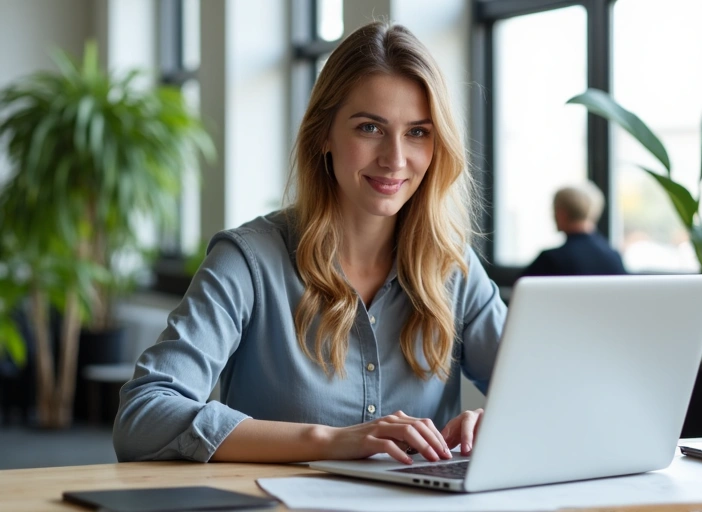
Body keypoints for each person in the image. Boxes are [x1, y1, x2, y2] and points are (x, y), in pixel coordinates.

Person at [113, 21, 507, 466]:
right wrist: (332, 441)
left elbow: (556, 397)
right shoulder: (248, 262)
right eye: (370, 128)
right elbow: (142, 416)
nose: (395, 159)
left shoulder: (455, 270)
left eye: (418, 132)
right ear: (324, 134)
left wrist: (497, 421)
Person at [520, 182, 627, 277]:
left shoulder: (550, 260)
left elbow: (521, 295)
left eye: (554, 210)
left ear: (562, 214)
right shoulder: (613, 256)